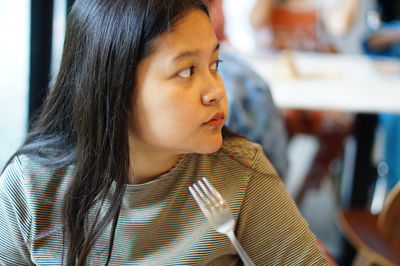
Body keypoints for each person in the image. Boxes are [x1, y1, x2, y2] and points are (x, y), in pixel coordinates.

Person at [0, 0, 328, 265]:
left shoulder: (240, 172)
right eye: (186, 71)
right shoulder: (30, 189)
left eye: (215, 65)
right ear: (115, 87)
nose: (215, 90)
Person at [249, 0, 355, 203]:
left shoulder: (323, 5)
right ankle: (270, 194)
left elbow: (340, 26)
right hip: (281, 91)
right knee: (278, 124)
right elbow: (255, 21)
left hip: (317, 91)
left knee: (337, 124)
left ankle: (304, 192)